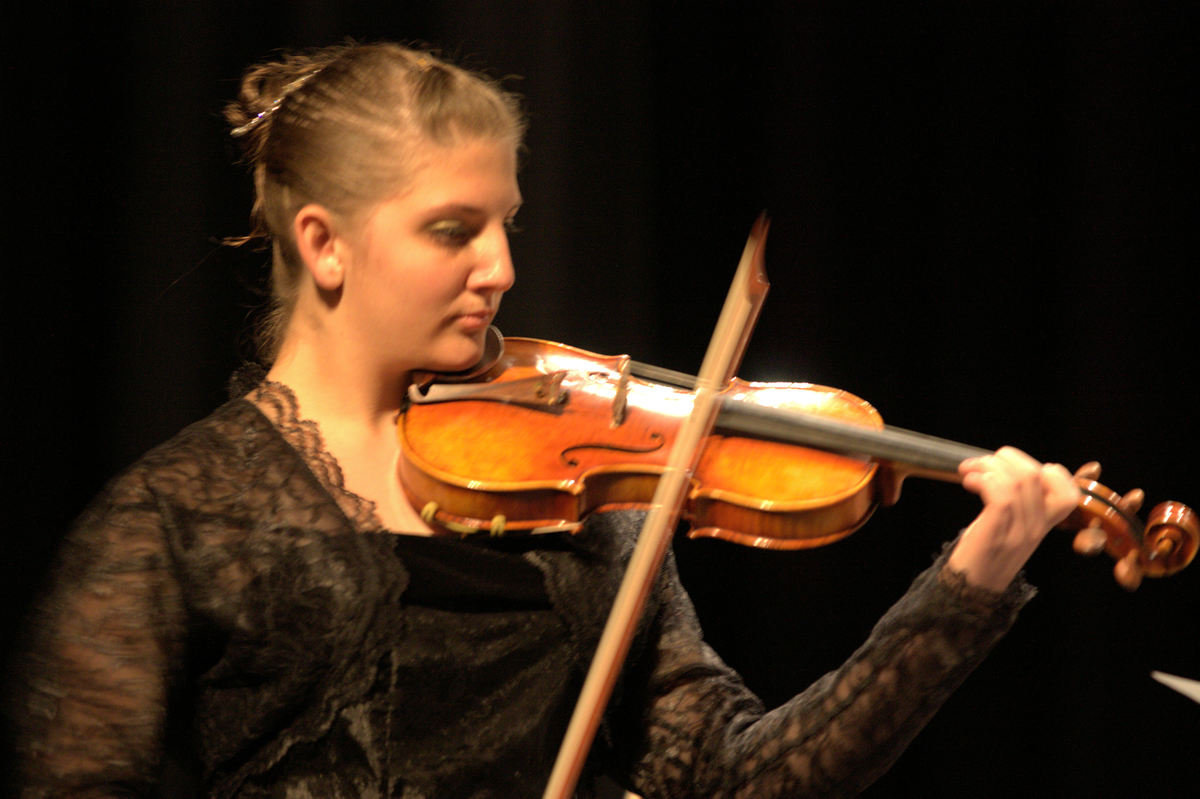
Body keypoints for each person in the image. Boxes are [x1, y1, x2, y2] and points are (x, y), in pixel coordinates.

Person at [9, 42, 1135, 798]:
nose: (500, 269)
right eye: (453, 229)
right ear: (323, 242)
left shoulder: (571, 487)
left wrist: (973, 578)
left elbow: (740, 777)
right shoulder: (167, 524)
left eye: (505, 224)